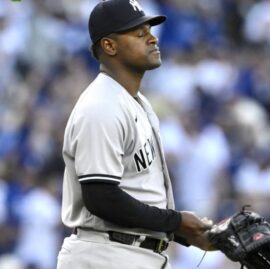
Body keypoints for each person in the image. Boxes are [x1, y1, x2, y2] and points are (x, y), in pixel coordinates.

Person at [56, 1, 215, 269]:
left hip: (132, 253)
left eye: (149, 31)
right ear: (109, 46)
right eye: (140, 34)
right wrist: (176, 221)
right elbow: (101, 197)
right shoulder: (102, 105)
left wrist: (187, 232)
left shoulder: (134, 101)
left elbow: (137, 192)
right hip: (106, 255)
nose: (153, 38)